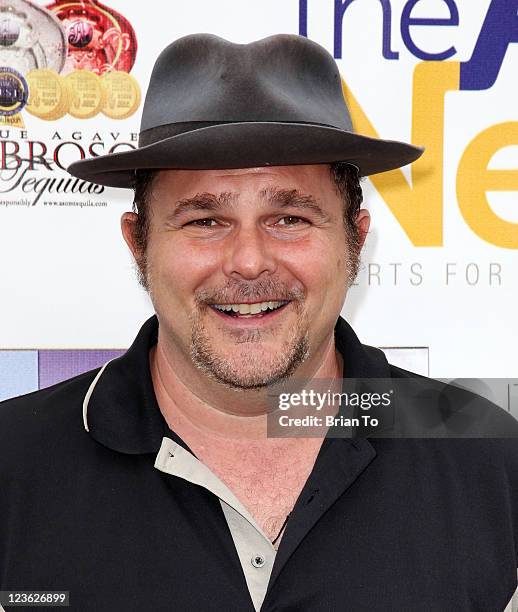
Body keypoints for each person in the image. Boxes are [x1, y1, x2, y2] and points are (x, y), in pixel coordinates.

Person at [0, 33, 517, 612]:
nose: (249, 261)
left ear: (355, 241)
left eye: (289, 217)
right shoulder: (12, 463)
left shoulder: (489, 455)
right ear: (138, 245)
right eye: (205, 221)